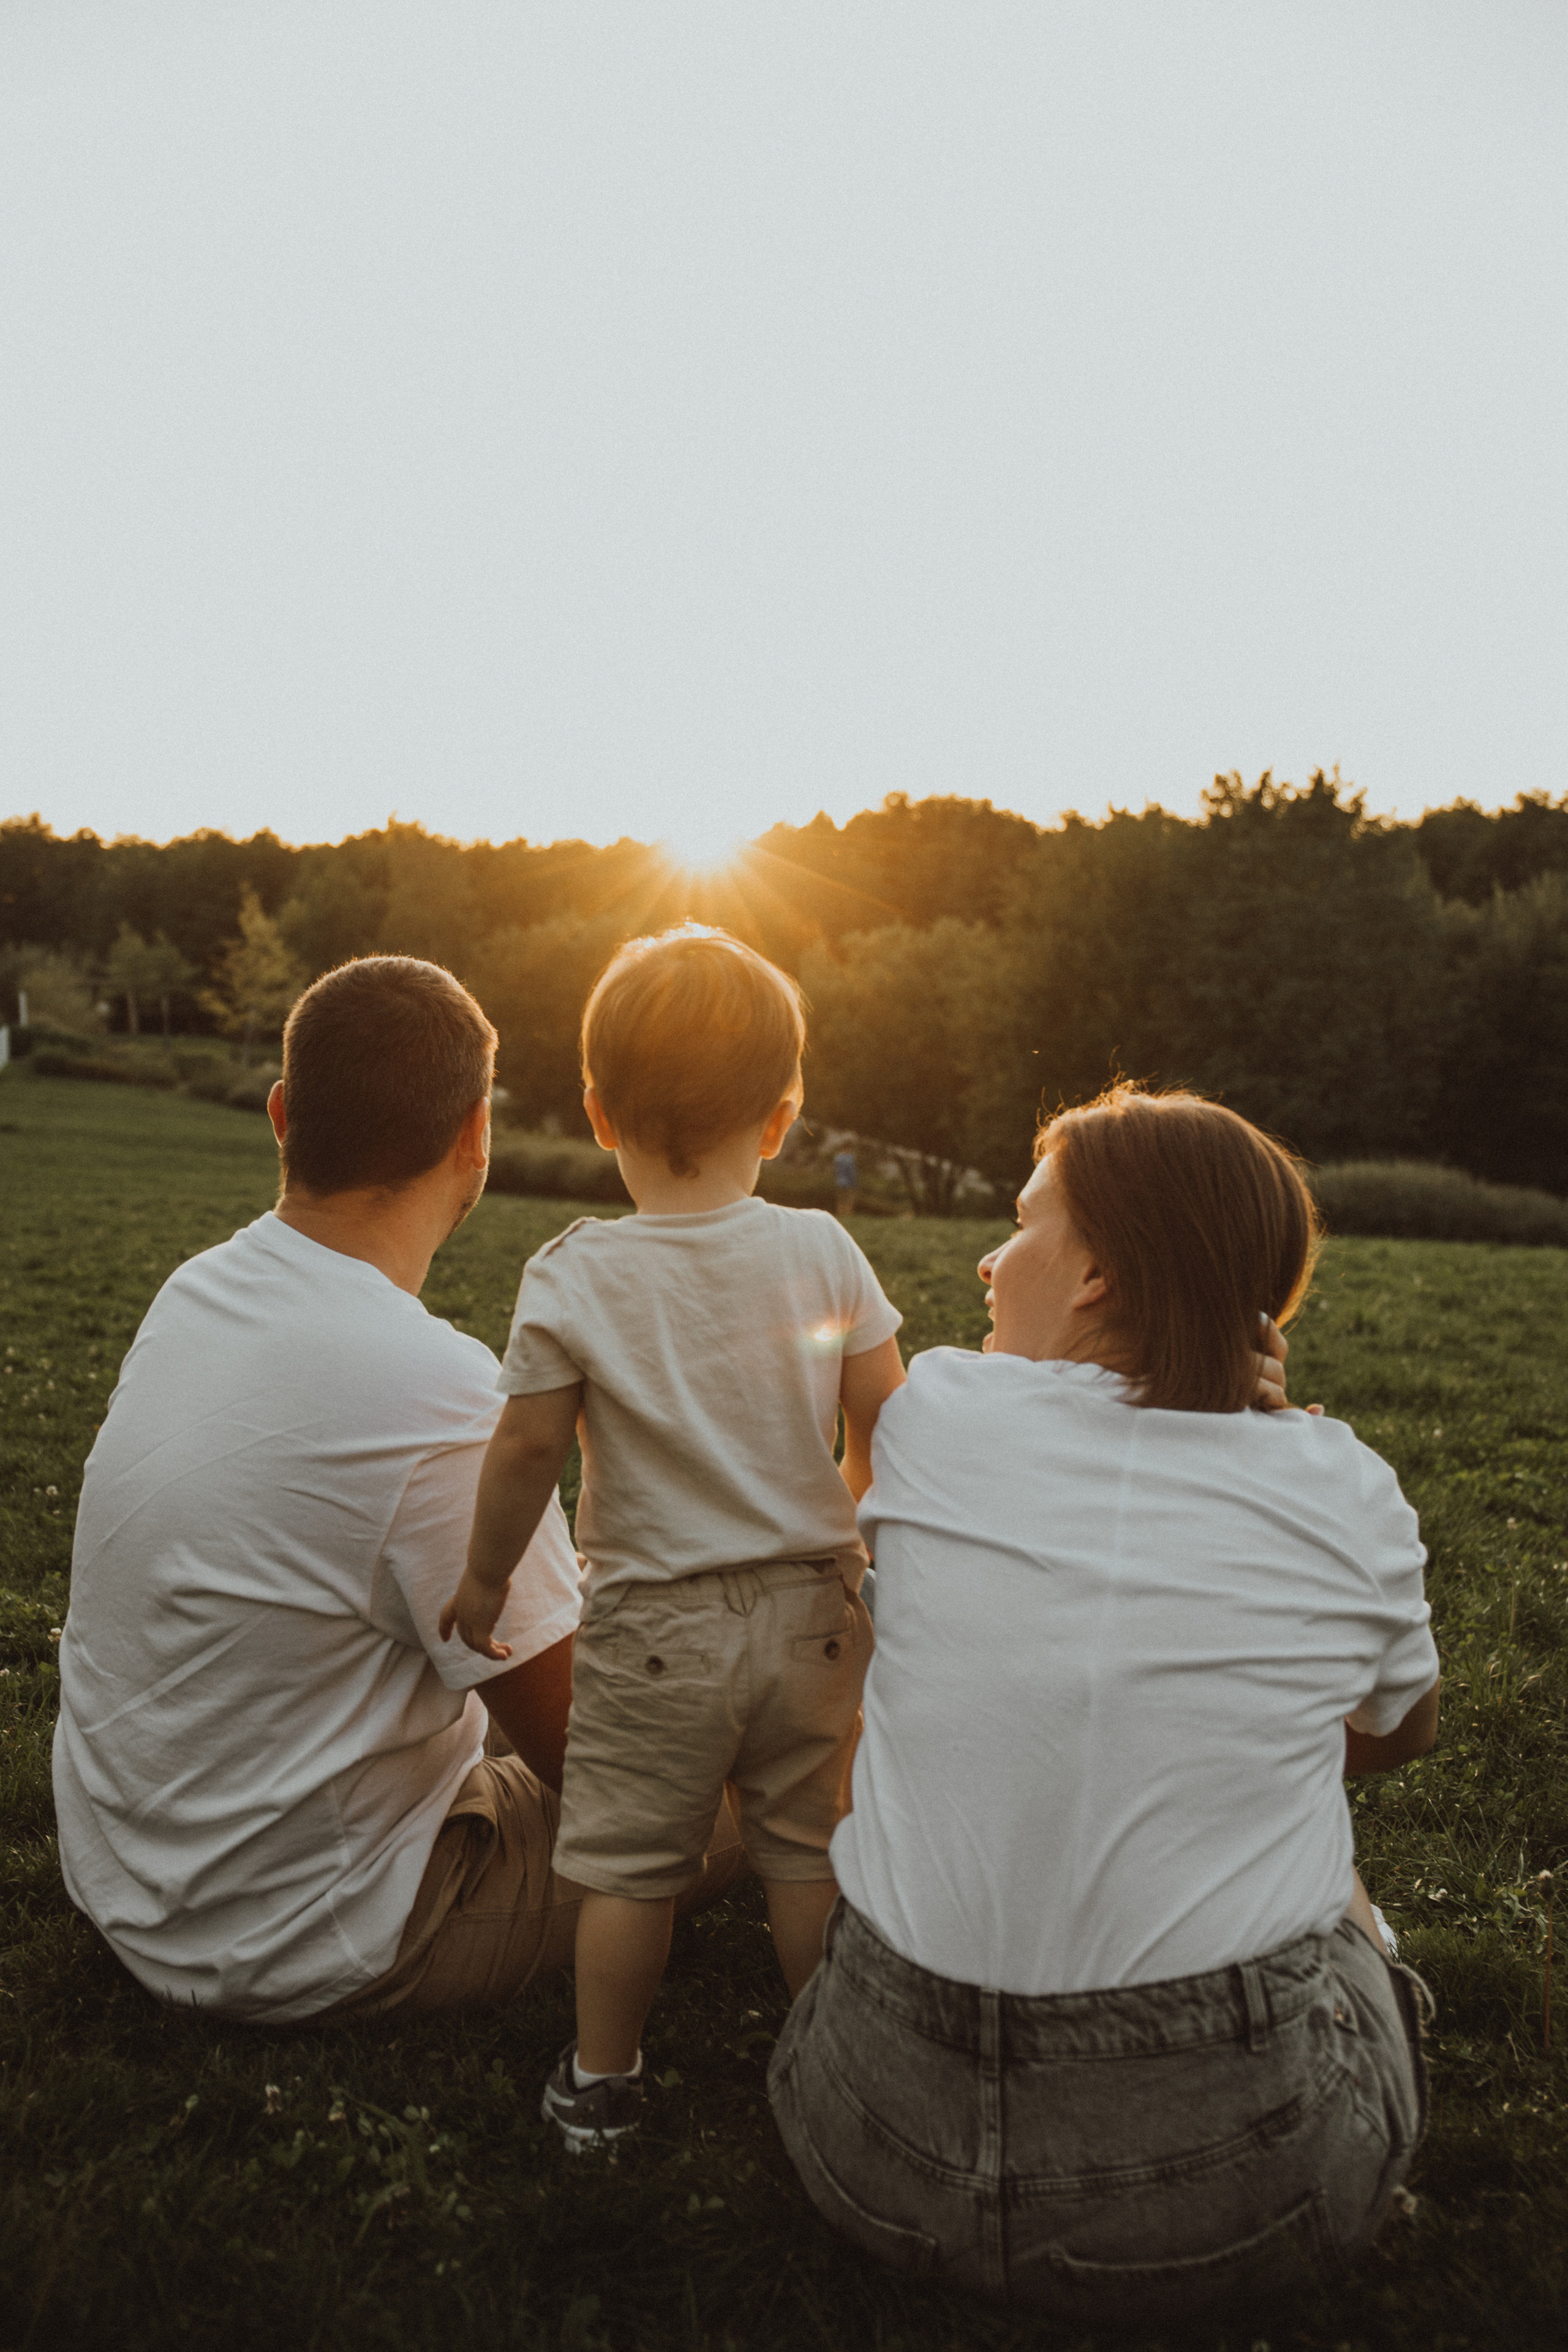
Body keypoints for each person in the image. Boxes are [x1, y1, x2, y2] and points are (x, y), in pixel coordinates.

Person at [769, 1084, 1439, 2324]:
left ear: (1093, 1278)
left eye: (1021, 1225)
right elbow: (1396, 1735)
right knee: (1325, 1864)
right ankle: (1372, 1960)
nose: (988, 1256)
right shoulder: (1339, 1485)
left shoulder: (935, 1420)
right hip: (1237, 2193)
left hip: (873, 2147)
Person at [53, 956, 744, 2024]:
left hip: (139, 1870)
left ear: (283, 1114)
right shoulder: (439, 1395)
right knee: (768, 1755)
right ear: (476, 1136)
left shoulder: (198, 1289)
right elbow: (602, 1767)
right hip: (302, 1924)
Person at [441, 925, 907, 2148]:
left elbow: (528, 1448)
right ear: (782, 1117)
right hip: (816, 1614)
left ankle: (603, 2082)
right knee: (803, 1856)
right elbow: (889, 1423)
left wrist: (486, 1577)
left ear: (597, 1112)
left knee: (626, 1868)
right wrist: (856, 1526)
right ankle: (823, 2069)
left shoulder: (573, 1272)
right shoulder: (822, 1247)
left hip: (653, 1632)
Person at [833, 1144, 858, 1219]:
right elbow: (852, 1172)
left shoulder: (837, 1158)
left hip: (839, 1182)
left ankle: (841, 1215)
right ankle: (848, 1215)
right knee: (849, 1200)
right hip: (849, 1183)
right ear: (848, 1149)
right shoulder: (850, 1159)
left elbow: (836, 1171)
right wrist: (855, 1183)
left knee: (841, 1200)